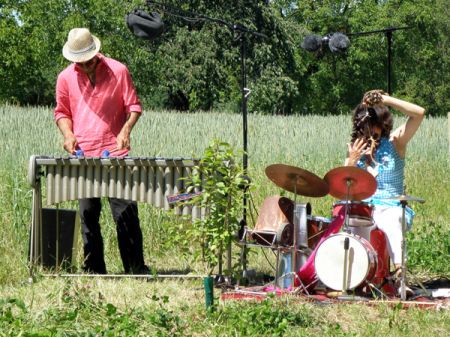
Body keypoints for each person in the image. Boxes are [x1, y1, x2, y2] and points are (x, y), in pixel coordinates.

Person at [54, 28, 149, 274]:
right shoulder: (65, 77)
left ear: (96, 53)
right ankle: (94, 270)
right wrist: (68, 135)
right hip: (83, 157)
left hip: (116, 156)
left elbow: (134, 106)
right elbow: (62, 112)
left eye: (88, 61)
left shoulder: (119, 70)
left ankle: (135, 269)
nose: (85, 66)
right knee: (88, 217)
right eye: (80, 63)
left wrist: (126, 130)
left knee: (126, 216)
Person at [345, 89, 425, 293]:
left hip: (391, 205)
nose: (372, 131)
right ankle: (352, 279)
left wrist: (386, 100)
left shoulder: (395, 142)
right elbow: (343, 186)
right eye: (367, 126)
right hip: (366, 208)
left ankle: (400, 277)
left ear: (383, 124)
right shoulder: (357, 149)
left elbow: (419, 113)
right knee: (348, 217)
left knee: (390, 219)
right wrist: (351, 162)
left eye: (376, 125)